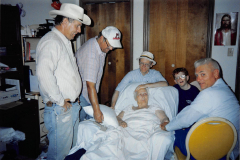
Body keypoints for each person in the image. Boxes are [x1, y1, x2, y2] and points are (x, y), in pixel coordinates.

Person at [36, 3, 91, 160]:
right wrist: (61, 101)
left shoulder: (64, 42)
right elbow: (43, 73)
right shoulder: (51, 41)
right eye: (78, 26)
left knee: (70, 152)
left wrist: (74, 96)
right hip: (61, 109)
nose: (79, 31)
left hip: (71, 106)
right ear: (65, 21)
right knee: (59, 155)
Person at [161, 58, 239, 160]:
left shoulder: (209, 93)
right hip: (229, 149)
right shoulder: (227, 90)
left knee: (171, 133)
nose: (198, 79)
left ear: (215, 73)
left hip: (207, 150)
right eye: (197, 75)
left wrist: (167, 127)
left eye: (203, 74)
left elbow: (185, 120)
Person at [75, 26, 122, 123]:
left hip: (86, 94)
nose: (111, 48)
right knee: (81, 128)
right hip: (81, 95)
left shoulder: (99, 45)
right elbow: (90, 86)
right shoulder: (91, 54)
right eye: (109, 45)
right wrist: (96, 110)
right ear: (102, 38)